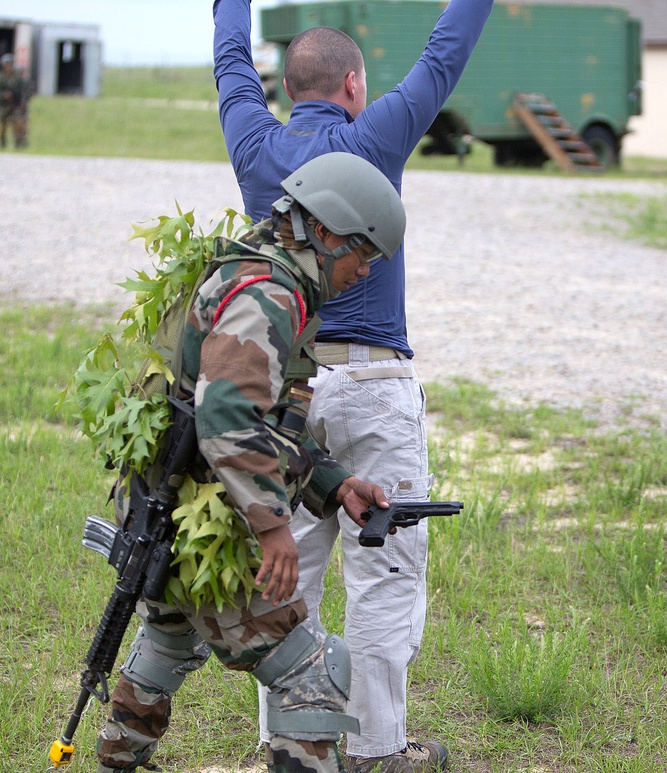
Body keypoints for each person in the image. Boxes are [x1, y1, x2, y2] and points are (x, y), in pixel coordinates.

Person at [213, 1, 493, 770]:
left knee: (285, 572)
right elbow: (446, 53)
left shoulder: (253, 140)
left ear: (286, 85)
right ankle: (374, 751)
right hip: (375, 382)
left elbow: (231, 63)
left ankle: (284, 745)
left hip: (287, 390)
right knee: (384, 576)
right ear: (351, 85)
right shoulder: (374, 136)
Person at [94, 152, 405, 773]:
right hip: (203, 520)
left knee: (169, 638)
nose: (362, 272)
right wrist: (271, 529)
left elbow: (262, 418)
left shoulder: (254, 268)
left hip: (175, 511)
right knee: (311, 669)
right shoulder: (267, 294)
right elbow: (229, 419)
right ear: (325, 231)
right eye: (362, 254)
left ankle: (117, 760)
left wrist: (335, 483)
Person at [0, 53, 32, 149]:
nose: (8, 68)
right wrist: (4, 95)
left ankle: (19, 144)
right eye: (6, 65)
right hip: (4, 105)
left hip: (15, 104)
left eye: (10, 65)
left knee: (18, 123)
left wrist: (22, 100)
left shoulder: (17, 77)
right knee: (3, 126)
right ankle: (2, 143)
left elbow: (24, 89)